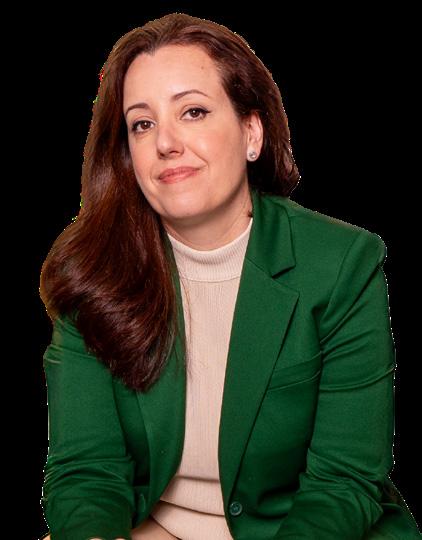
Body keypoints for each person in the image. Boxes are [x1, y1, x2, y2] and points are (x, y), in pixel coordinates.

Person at [39, 12, 421, 540]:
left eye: (193, 111)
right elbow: (87, 474)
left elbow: (343, 483)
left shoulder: (341, 264)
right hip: (154, 527)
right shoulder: (91, 269)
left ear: (251, 133)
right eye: (142, 124)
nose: (166, 142)